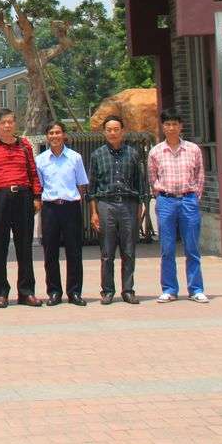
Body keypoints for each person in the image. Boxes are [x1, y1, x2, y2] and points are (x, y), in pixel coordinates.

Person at [0, 108, 43, 308]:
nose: (7, 126)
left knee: (25, 247)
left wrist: (37, 196)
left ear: (15, 124)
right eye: (3, 122)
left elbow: (33, 171)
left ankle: (26, 292)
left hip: (23, 197)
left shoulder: (25, 146)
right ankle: (0, 293)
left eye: (10, 122)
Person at [148, 111, 209, 304]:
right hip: (166, 201)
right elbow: (152, 178)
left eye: (175, 124)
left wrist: (195, 197)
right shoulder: (156, 152)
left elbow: (200, 176)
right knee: (167, 248)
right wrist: (160, 196)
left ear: (181, 126)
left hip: (188, 200)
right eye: (167, 124)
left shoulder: (193, 149)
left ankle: (196, 289)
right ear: (163, 127)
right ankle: (169, 289)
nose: (171, 128)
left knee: (192, 247)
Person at [88, 115, 149, 305]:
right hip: (106, 205)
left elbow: (141, 183)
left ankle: (128, 290)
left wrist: (141, 207)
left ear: (123, 131)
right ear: (104, 132)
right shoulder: (97, 155)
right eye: (109, 130)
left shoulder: (133, 154)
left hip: (129, 205)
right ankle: (107, 291)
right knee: (107, 252)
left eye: (116, 129)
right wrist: (94, 212)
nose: (113, 133)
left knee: (129, 250)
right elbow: (92, 188)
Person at [35, 121, 89, 306]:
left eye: (58, 132)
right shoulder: (40, 160)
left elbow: (81, 184)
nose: (55, 136)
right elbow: (39, 186)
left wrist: (74, 201)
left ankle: (74, 292)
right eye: (51, 133)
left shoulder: (75, 157)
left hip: (70, 208)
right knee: (50, 252)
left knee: (74, 251)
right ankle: (54, 292)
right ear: (47, 136)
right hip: (50, 209)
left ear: (64, 135)